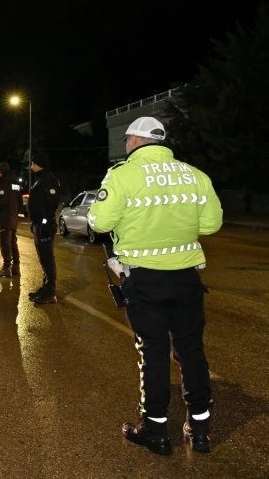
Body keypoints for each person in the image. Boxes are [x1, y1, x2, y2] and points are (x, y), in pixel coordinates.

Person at [88, 117, 222, 455]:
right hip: (187, 278)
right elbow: (211, 224)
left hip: (144, 280)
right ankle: (200, 430)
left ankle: (156, 431)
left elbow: (100, 221)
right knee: (191, 350)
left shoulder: (122, 175)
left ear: (134, 140)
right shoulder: (195, 175)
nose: (126, 145)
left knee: (154, 352)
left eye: (126, 140)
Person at [27, 153, 60, 304]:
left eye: (33, 164)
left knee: (47, 257)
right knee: (43, 257)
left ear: (39, 164)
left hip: (44, 225)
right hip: (39, 224)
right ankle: (46, 287)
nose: (31, 167)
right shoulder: (40, 179)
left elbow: (51, 204)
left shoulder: (48, 180)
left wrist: (45, 223)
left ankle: (50, 292)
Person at [0, 162, 23, 277]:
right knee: (13, 242)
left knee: (5, 243)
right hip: (13, 218)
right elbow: (20, 201)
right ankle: (16, 267)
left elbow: (1, 201)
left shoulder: (4, 183)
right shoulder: (16, 184)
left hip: (4, 218)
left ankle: (6, 267)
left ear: (1, 172)